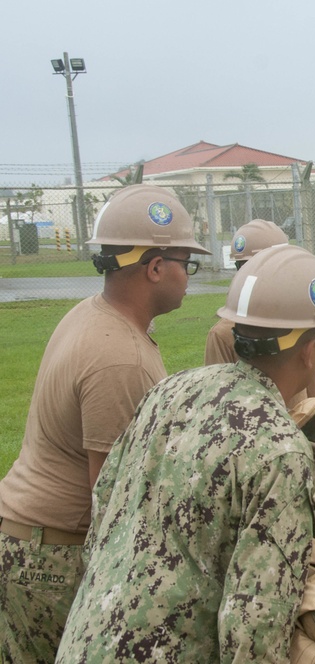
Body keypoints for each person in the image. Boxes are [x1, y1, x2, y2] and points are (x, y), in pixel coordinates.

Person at [56, 244, 315, 663]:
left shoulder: (170, 391)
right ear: (309, 350)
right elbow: (254, 631)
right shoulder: (281, 451)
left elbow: (103, 509)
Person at [0, 184, 210, 663]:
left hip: (28, 543)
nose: (188, 277)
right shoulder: (120, 358)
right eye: (186, 264)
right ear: (155, 267)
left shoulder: (91, 316)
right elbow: (113, 502)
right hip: (54, 558)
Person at [204, 219, 315, 409]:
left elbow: (310, 379)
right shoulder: (224, 334)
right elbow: (217, 401)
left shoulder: (298, 318)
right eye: (241, 268)